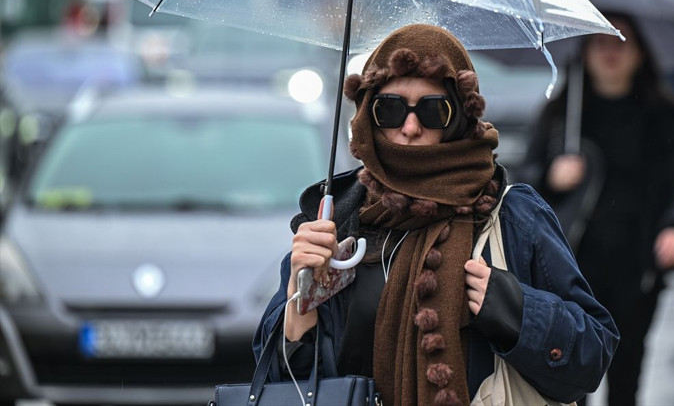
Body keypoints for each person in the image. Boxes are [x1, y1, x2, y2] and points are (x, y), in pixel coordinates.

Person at [254, 24, 619, 406]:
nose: (410, 128)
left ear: (459, 117)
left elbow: (592, 355)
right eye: (390, 109)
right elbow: (287, 382)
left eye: (432, 111)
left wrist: (517, 310)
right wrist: (299, 299)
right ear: (367, 114)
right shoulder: (337, 219)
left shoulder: (511, 215)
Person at [521, 14, 674, 406]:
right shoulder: (561, 116)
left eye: (622, 42)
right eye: (600, 42)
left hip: (637, 266)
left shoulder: (662, 116)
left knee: (627, 372)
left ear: (640, 54)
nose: (610, 52)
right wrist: (552, 174)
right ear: (584, 51)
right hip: (572, 268)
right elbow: (522, 184)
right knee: (572, 377)